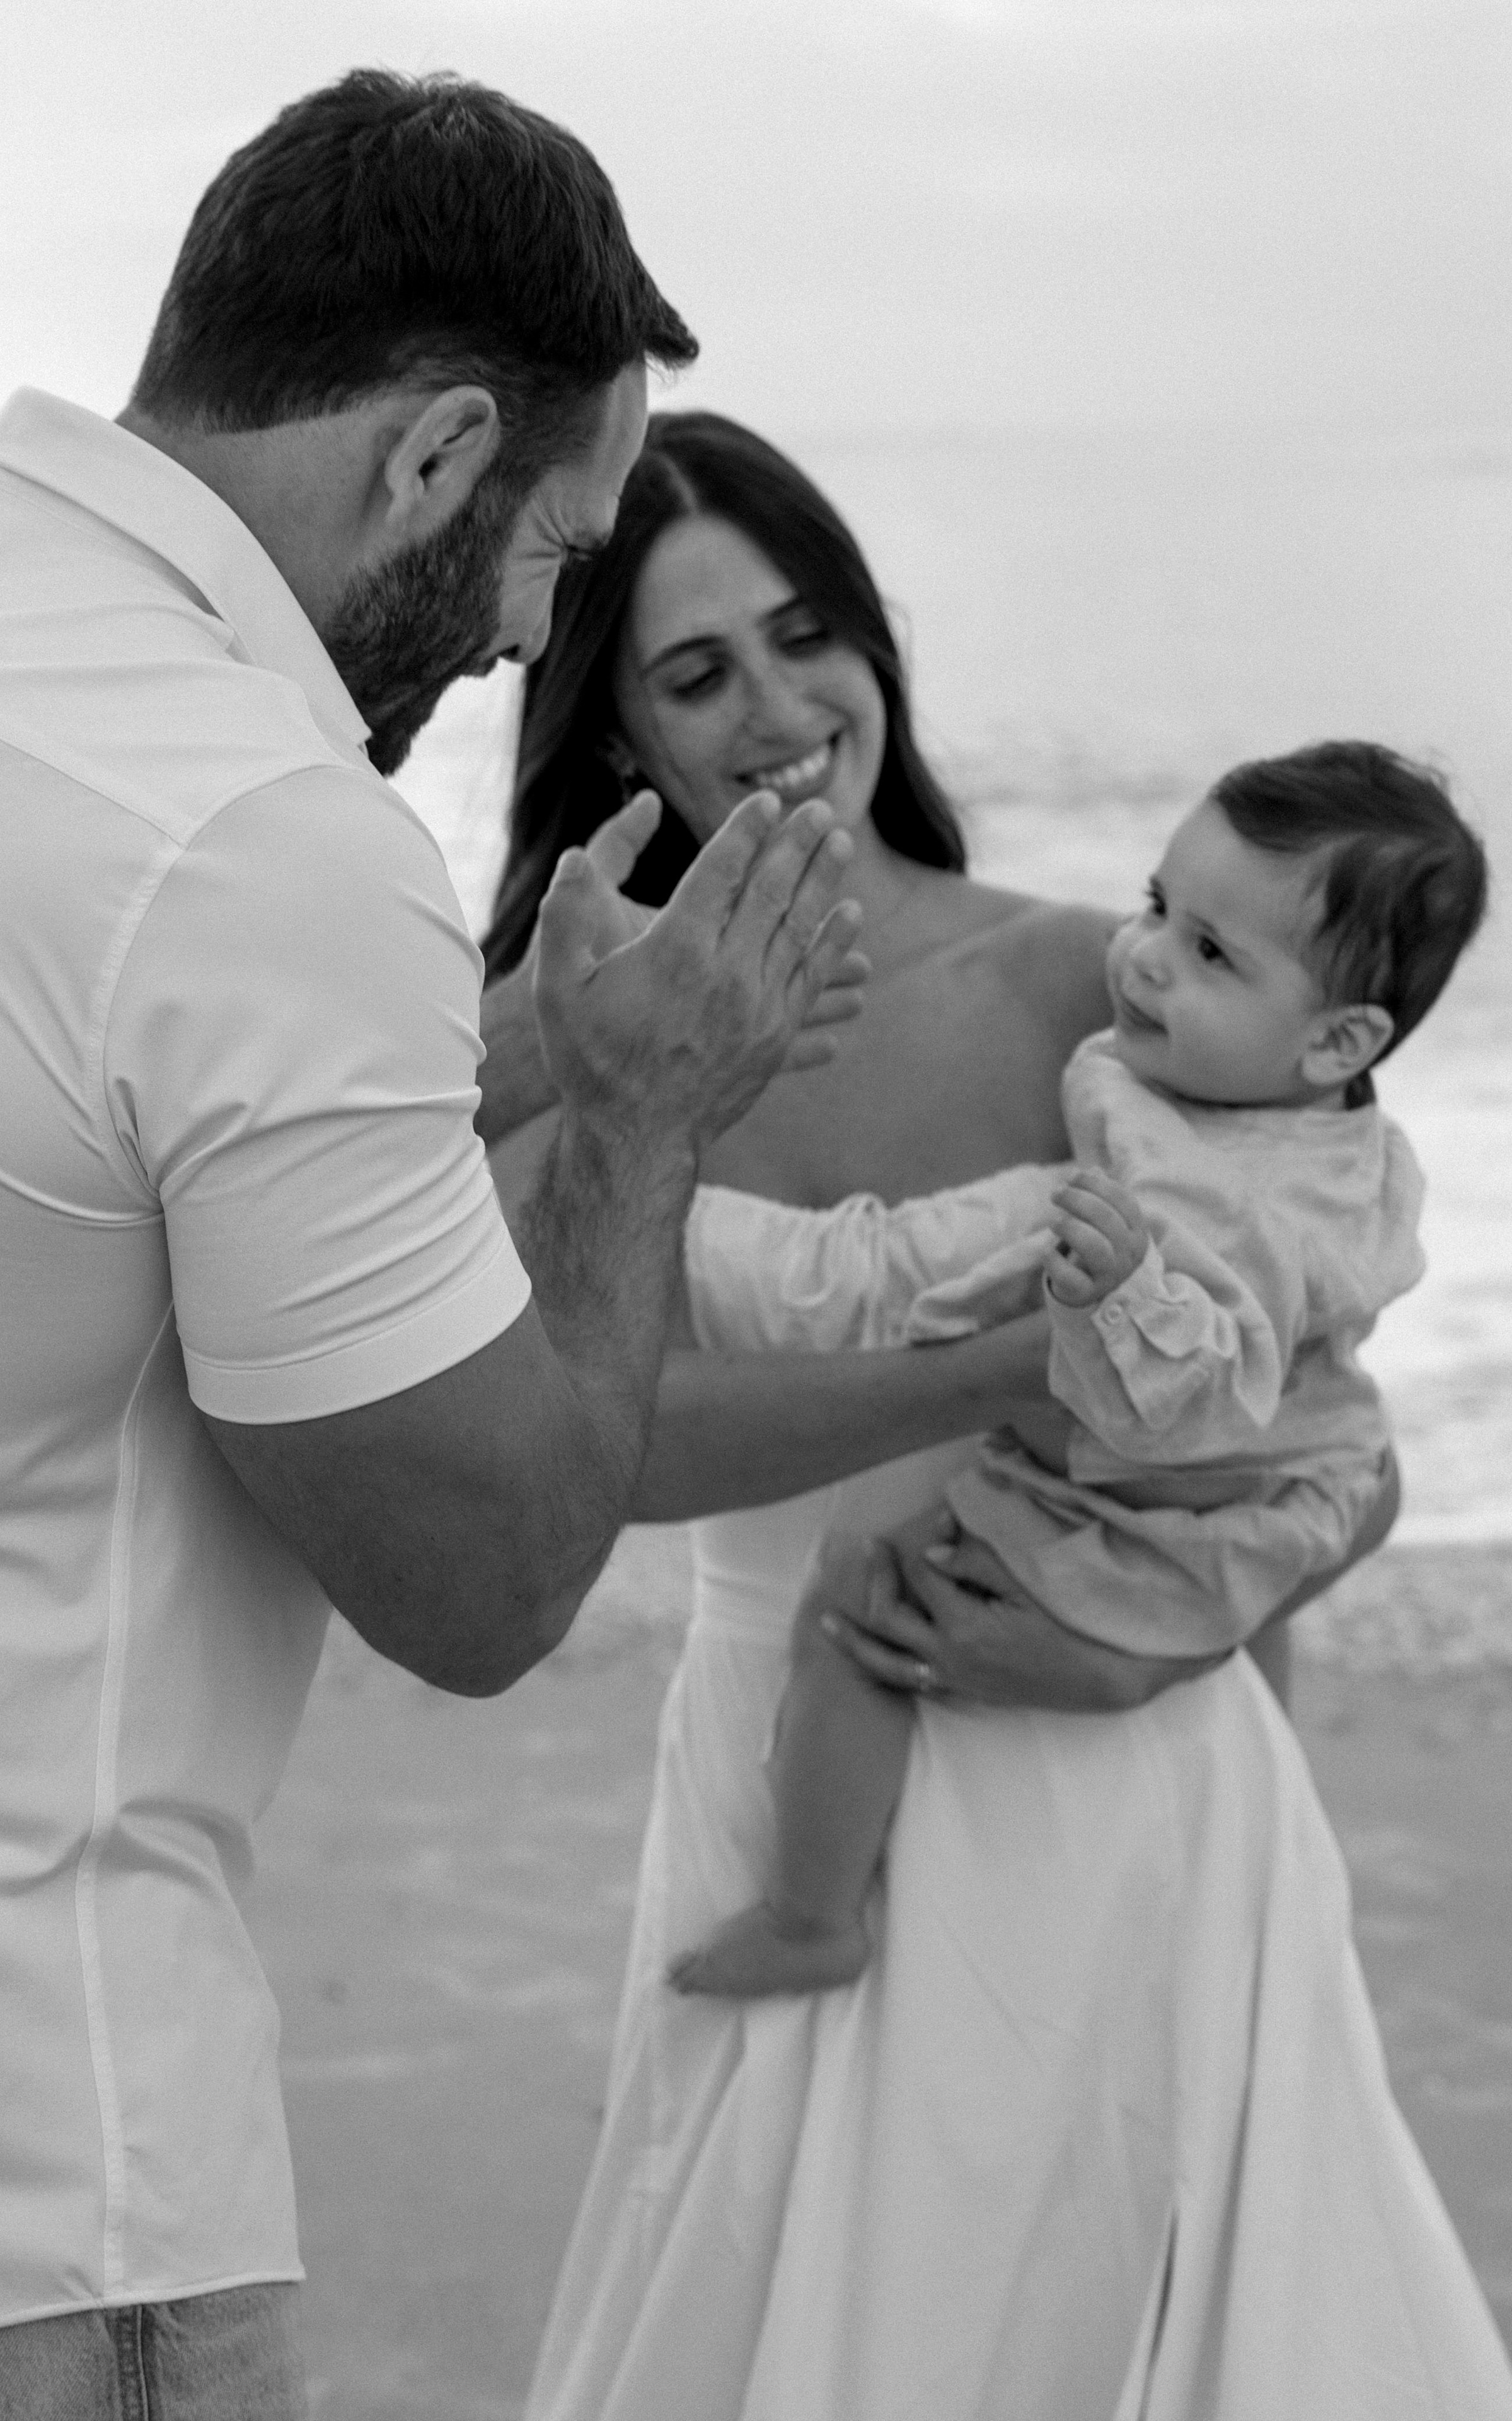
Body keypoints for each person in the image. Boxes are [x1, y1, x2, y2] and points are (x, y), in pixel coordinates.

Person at [488, 413, 1512, 2418]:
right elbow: (593, 1452)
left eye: (809, 634)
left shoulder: (1099, 990)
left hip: (1124, 1761)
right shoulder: (579, 1041)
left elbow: (1324, 1425)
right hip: (793, 1749)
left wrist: (1177, 1667)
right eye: (698, 672)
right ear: (613, 727)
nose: (780, 707)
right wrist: (987, 1377)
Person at [0, 76, 873, 2418]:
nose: (523, 637)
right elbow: (482, 1581)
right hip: (54, 2162)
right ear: (434, 455)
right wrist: (649, 1108)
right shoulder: (259, 831)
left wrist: (513, 1053)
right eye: (556, 550)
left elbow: (101, 1130)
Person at [671, 742, 1489, 2000]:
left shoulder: (1200, 1193)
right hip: (1234, 1501)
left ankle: (811, 1914)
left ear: (1339, 1039)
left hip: (1138, 1512)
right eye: (1158, 904)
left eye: (1209, 952)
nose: (1146, 955)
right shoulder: (1304, 1127)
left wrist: (1126, 1292)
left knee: (853, 1607)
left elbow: (1209, 1376)